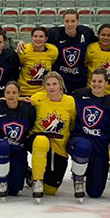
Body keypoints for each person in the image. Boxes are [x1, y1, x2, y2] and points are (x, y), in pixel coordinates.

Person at [69, 70, 110, 202]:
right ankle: (78, 180)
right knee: (83, 146)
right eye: (94, 81)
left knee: (95, 192)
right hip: (80, 139)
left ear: (106, 83)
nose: (96, 84)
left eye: (100, 81)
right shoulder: (78, 95)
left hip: (100, 147)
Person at [0, 81, 36, 201]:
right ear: (4, 94)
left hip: (18, 150)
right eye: (8, 92)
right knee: (2, 146)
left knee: (14, 190)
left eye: (14, 92)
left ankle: (25, 171)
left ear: (19, 94)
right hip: (0, 146)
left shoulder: (28, 109)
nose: (11, 95)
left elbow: (31, 126)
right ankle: (2, 182)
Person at [29, 72, 77, 203]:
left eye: (54, 84)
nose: (51, 87)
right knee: (41, 141)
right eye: (48, 84)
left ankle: (30, 174)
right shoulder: (37, 98)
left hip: (59, 148)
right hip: (38, 141)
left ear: (60, 85)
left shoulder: (70, 101)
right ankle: (36, 180)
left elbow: (73, 124)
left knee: (51, 189)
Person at [46, 10, 97, 93]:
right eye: (67, 21)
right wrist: (21, 43)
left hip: (80, 82)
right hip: (60, 82)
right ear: (63, 22)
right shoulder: (54, 34)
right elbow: (39, 42)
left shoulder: (86, 33)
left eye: (73, 21)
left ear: (78, 22)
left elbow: (101, 42)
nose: (70, 24)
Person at [18, 26, 58, 96]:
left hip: (44, 93)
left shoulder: (53, 51)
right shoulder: (24, 50)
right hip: (25, 93)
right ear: (31, 37)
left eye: (41, 36)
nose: (38, 39)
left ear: (46, 39)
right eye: (35, 36)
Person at [84, 23, 110, 94]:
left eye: (109, 35)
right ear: (98, 35)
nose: (105, 37)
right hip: (94, 90)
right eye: (103, 35)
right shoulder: (90, 48)